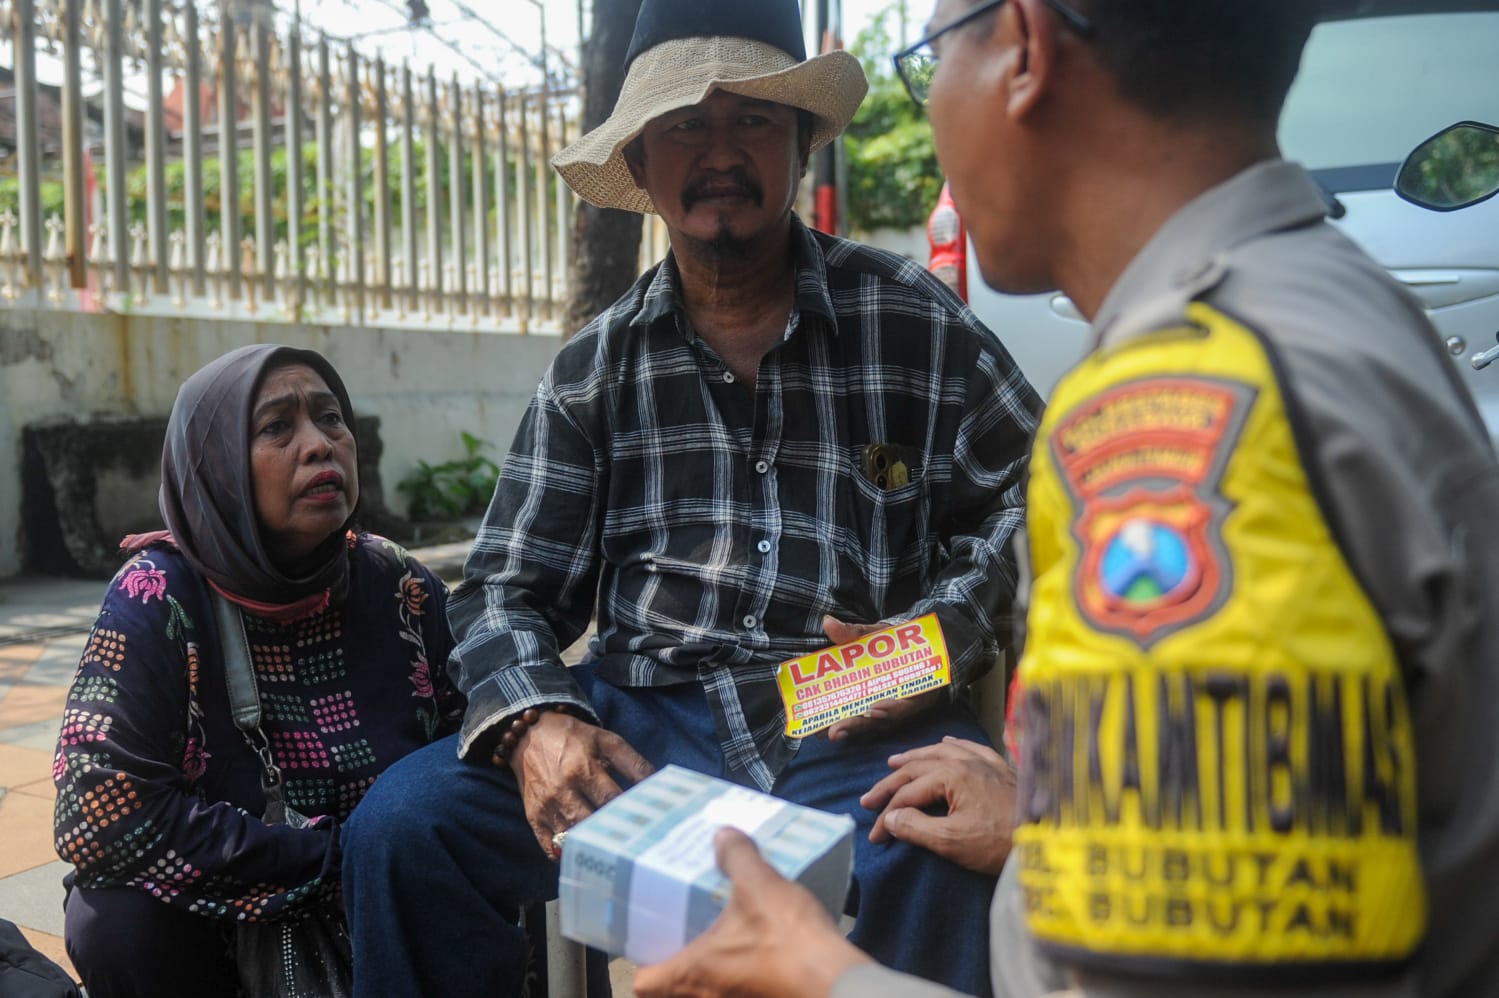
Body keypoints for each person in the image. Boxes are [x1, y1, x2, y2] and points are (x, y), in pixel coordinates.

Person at [631, 0, 1499, 997]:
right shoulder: (1323, 304)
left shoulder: (1181, 427)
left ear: (1023, 49)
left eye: (930, 58)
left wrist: (816, 973)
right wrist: (1058, 812)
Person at [339, 0, 1042, 995]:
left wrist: (934, 636)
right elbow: (500, 587)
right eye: (683, 124)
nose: (719, 151)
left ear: (798, 145)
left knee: (929, 845)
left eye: (752, 118)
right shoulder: (595, 368)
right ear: (640, 161)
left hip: (852, 710)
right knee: (402, 829)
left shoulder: (909, 318)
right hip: (642, 717)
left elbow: (1037, 493)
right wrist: (537, 720)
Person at [52, 344, 464, 998]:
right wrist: (338, 858)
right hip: (236, 893)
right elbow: (98, 815)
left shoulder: (395, 581)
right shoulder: (157, 596)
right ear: (213, 464)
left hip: (395, 886)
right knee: (115, 920)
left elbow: (478, 731)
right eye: (277, 427)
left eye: (331, 419)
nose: (319, 445)